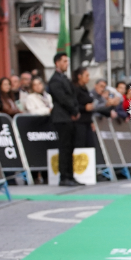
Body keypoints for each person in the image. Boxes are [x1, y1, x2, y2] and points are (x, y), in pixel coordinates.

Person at [47, 52, 83, 187]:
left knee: (71, 147)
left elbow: (73, 97)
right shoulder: (55, 80)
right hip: (61, 117)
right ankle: (64, 177)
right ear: (57, 63)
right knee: (64, 147)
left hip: (69, 117)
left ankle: (70, 176)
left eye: (67, 61)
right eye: (64, 61)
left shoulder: (65, 79)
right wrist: (73, 110)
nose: (66, 64)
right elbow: (62, 98)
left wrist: (76, 110)